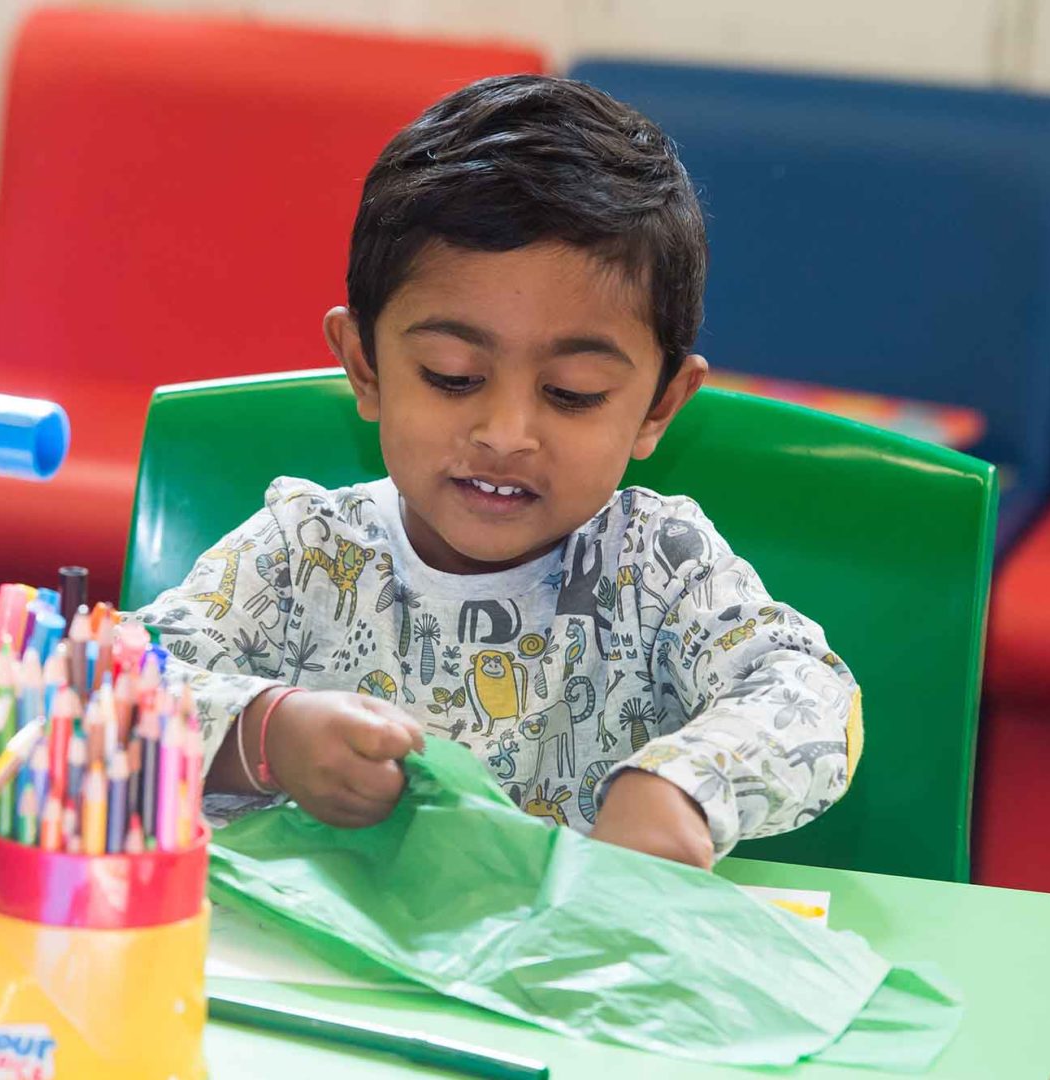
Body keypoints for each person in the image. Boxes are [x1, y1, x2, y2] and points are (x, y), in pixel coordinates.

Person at [135, 75, 860, 870]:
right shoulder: (303, 556)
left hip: (570, 984)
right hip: (337, 981)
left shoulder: (659, 568)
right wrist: (263, 732)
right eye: (452, 376)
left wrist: (685, 784)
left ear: (659, 406)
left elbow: (813, 697)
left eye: (571, 394)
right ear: (365, 367)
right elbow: (106, 691)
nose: (506, 434)